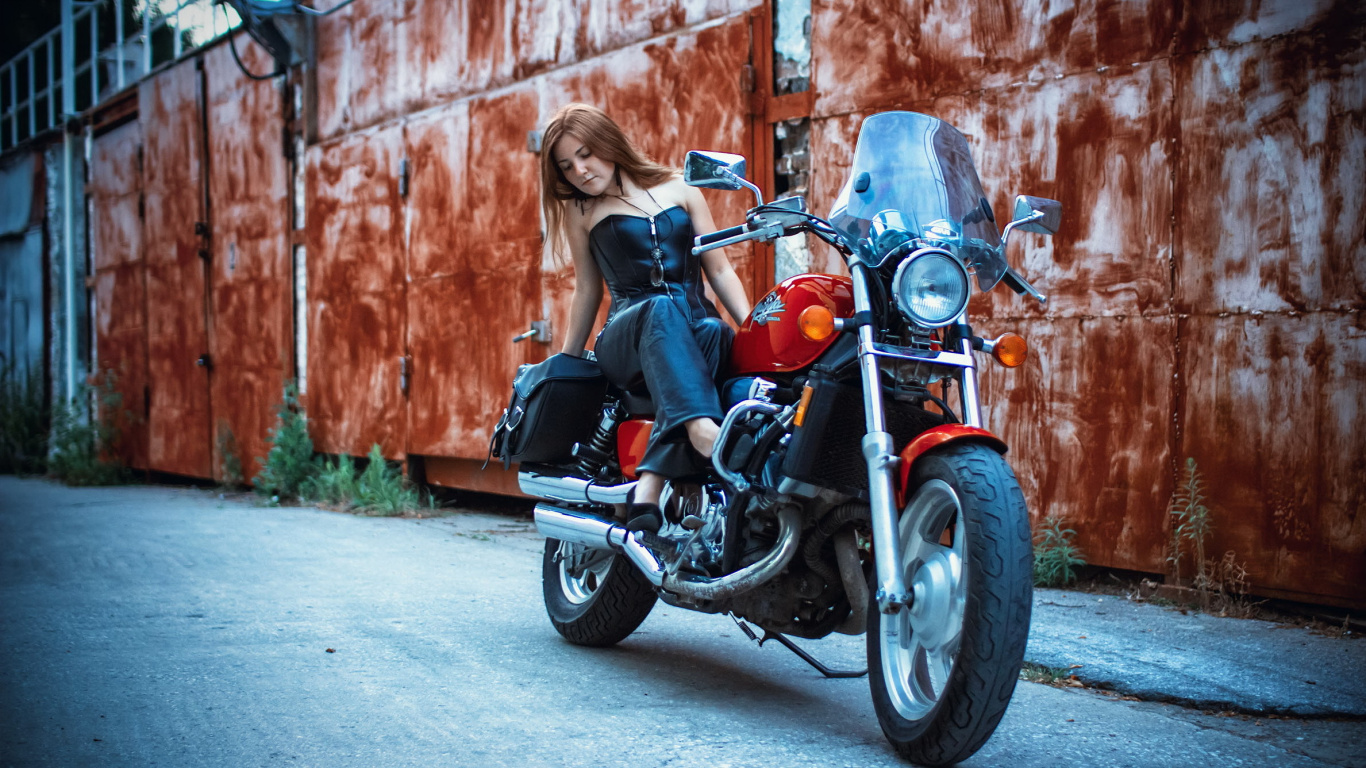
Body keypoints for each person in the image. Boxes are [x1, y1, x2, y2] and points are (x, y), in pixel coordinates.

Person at [540, 103, 751, 532]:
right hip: (627, 336)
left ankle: (651, 484)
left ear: (608, 144)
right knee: (659, 306)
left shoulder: (681, 187)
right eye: (566, 166)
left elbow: (720, 269)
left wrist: (751, 328)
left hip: (691, 330)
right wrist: (568, 361)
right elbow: (587, 290)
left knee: (715, 330)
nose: (579, 170)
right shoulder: (579, 211)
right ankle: (701, 431)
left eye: (585, 154)